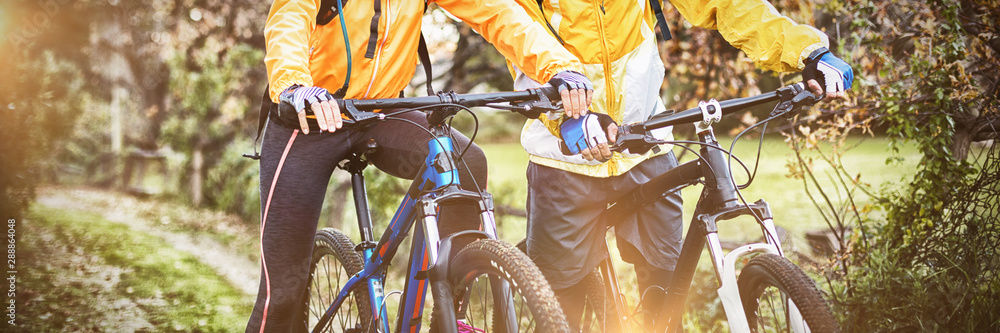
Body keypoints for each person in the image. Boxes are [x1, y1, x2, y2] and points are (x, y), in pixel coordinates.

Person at [246, 0, 595, 332]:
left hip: (379, 111)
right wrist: (293, 85)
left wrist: (557, 66)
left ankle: (448, 311)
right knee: (283, 291)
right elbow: (288, 21)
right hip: (307, 116)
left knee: (465, 159)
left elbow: (497, 12)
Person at [506, 0, 854, 329]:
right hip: (563, 160)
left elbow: (728, 5)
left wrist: (807, 51)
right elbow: (517, 34)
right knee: (560, 308)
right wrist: (562, 113)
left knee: (668, 292)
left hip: (645, 146)